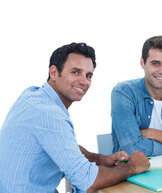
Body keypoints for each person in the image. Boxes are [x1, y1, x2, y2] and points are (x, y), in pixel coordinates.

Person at [0, 43, 150, 193]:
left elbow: (62, 144)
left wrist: (101, 159)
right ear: (53, 73)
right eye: (75, 72)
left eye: (88, 75)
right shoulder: (49, 114)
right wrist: (132, 167)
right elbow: (88, 181)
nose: (84, 81)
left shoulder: (33, 96)